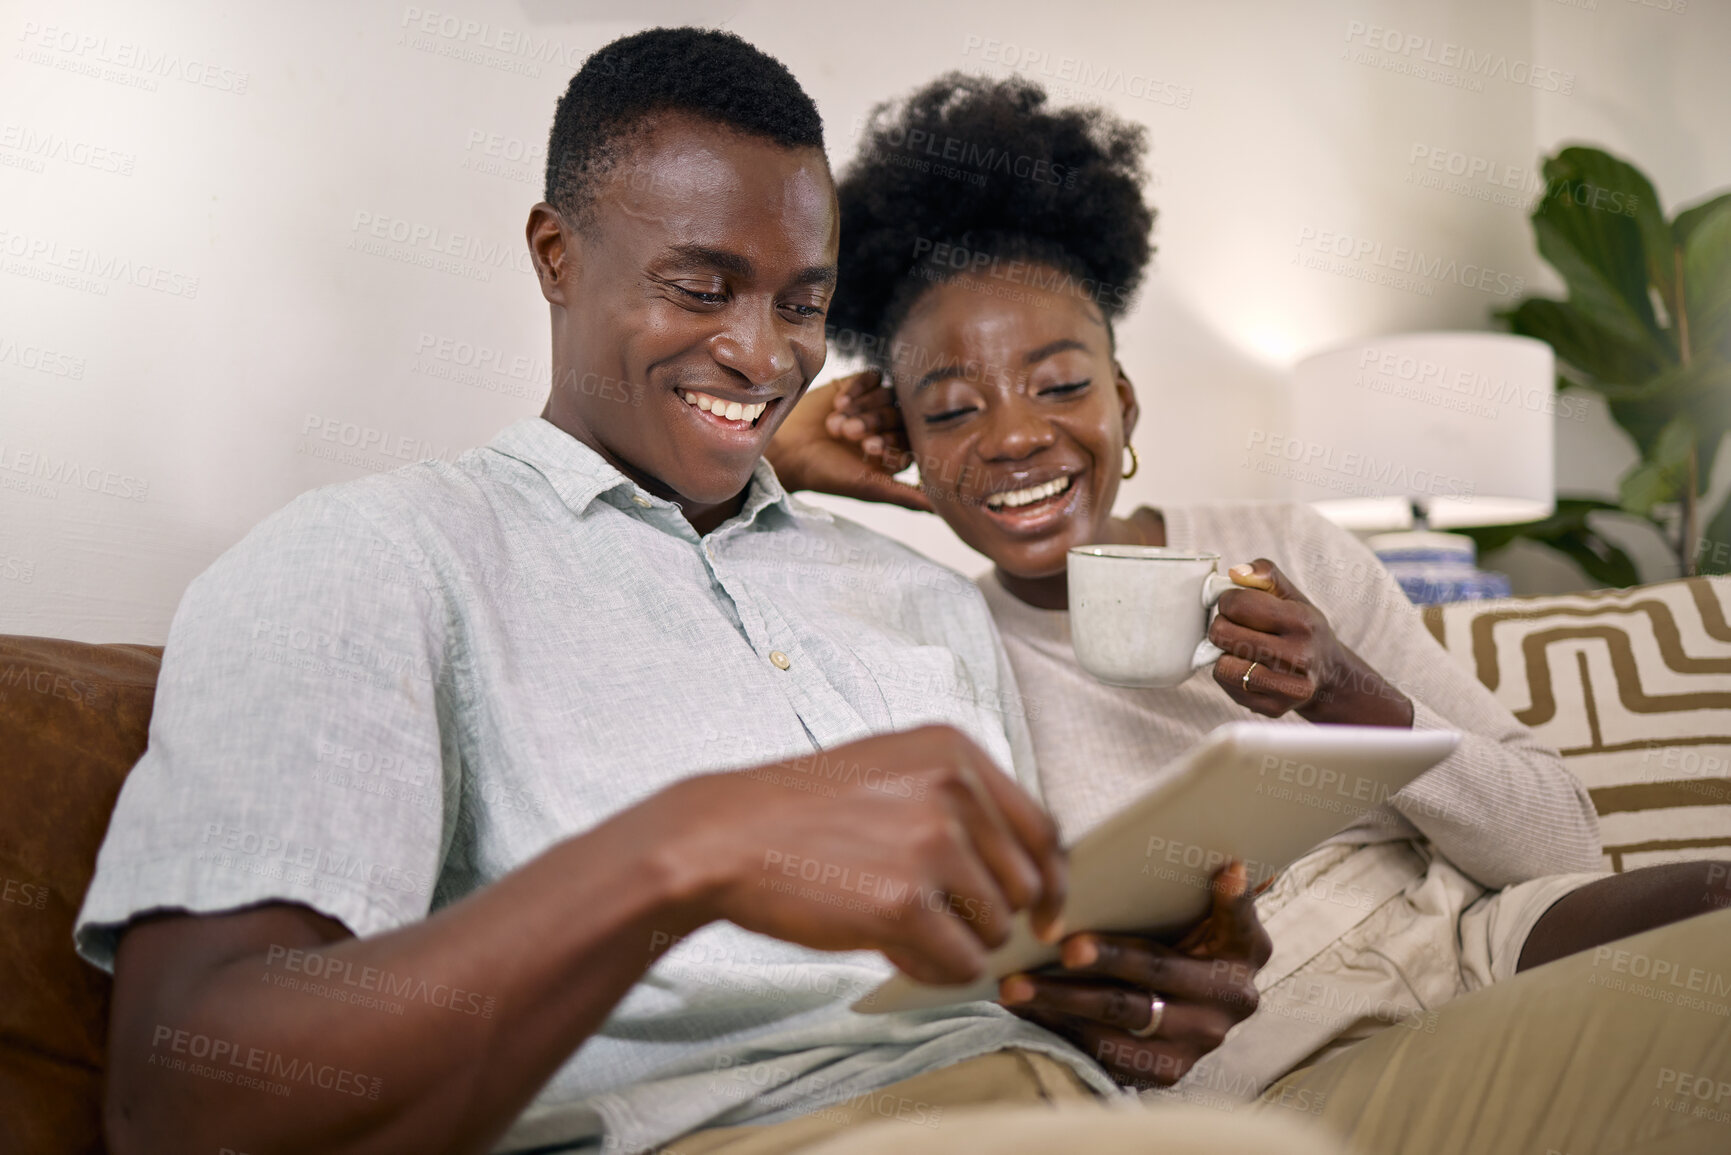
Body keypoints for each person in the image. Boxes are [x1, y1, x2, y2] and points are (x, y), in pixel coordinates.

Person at [74, 30, 1320, 1155]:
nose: (764, 353)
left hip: (1073, 1113)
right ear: (557, 257)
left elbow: (1006, 985)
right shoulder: (371, 558)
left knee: (1523, 1048)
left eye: (804, 306)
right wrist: (681, 850)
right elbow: (177, 1102)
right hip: (746, 1135)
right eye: (700, 286)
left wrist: (1116, 994)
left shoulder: (917, 597)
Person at [769, 72, 1731, 1148]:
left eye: (1060, 385)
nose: (1013, 437)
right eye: (950, 410)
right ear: (902, 441)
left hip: (1478, 937)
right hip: (1283, 1054)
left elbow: (1558, 843)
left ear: (1123, 402)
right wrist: (776, 458)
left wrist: (1352, 696)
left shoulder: (1286, 543)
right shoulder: (933, 646)